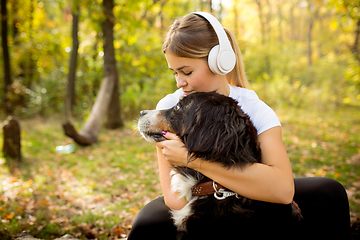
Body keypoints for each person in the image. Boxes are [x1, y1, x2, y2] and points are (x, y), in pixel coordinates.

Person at [127, 12, 350, 240]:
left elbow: (282, 190)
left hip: (253, 199)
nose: (179, 82)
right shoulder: (170, 106)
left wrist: (192, 160)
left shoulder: (255, 109)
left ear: (220, 61)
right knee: (145, 226)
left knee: (329, 192)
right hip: (198, 202)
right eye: (175, 72)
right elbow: (175, 199)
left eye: (187, 72)